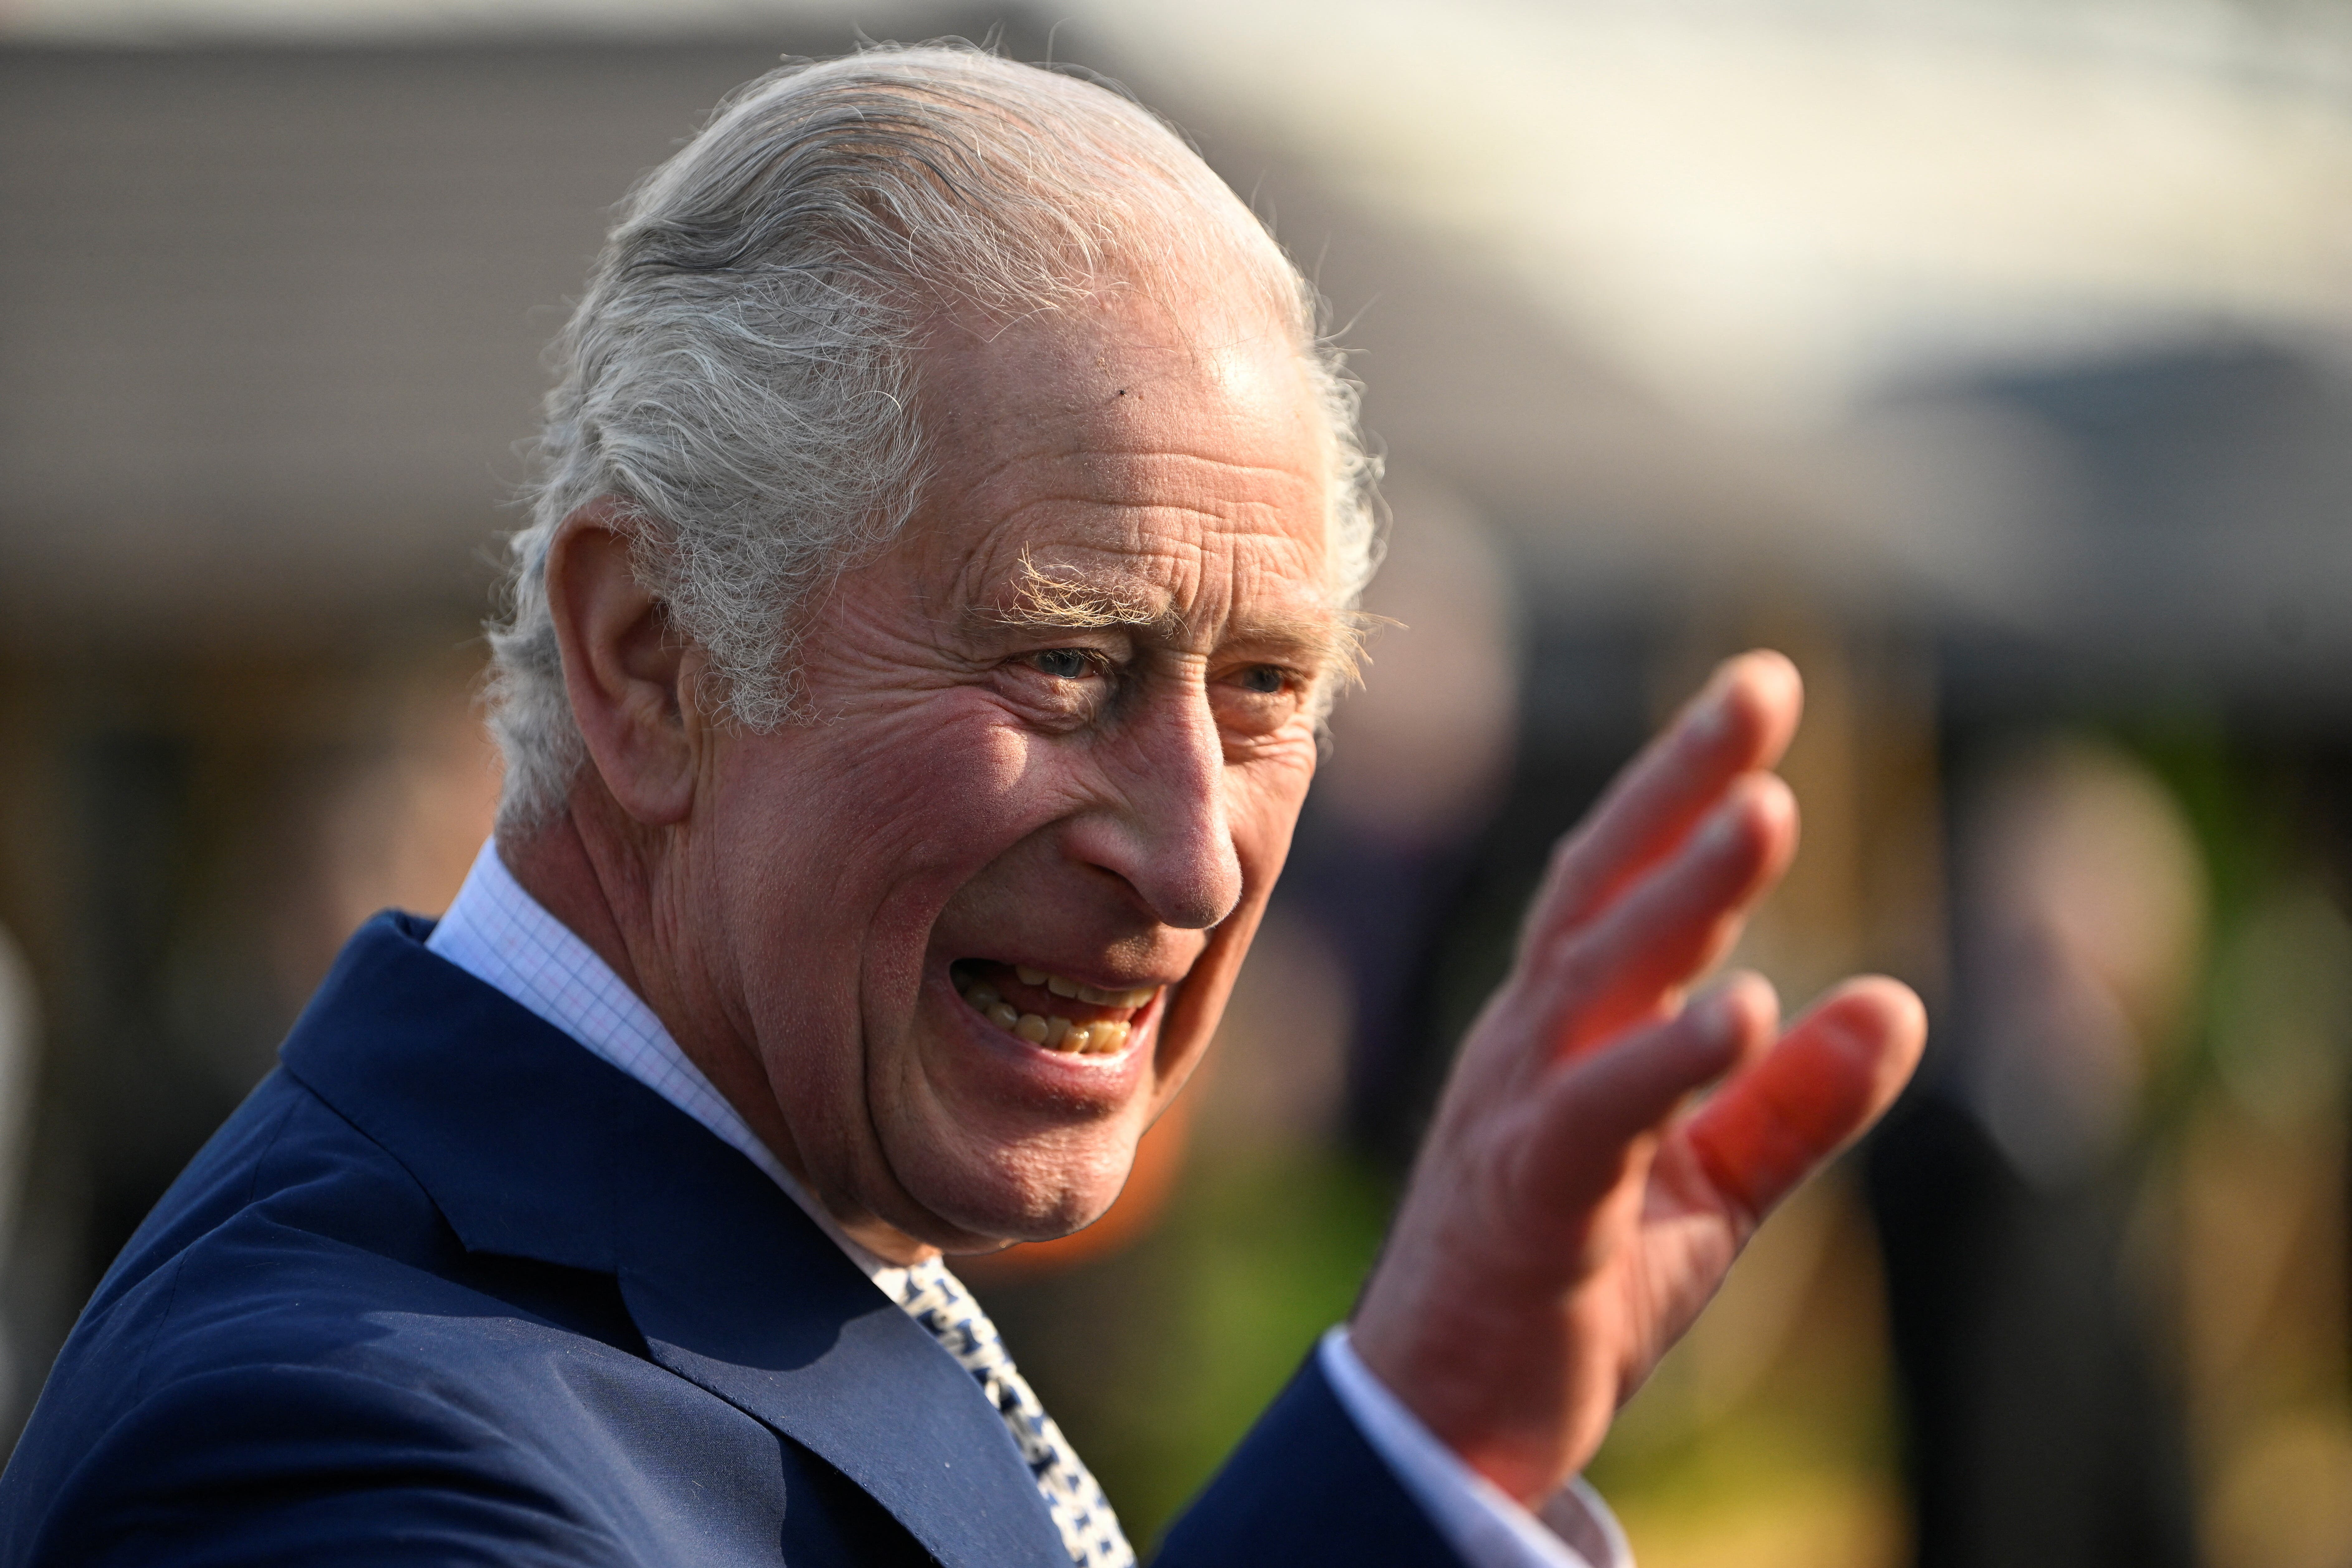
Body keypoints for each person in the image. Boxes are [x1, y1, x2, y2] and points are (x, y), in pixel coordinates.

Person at [0, 45, 1923, 1568]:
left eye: (1265, 685)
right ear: (651, 657)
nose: (1192, 853)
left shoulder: (748, 1246)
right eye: (1066, 662)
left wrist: (1426, 1434)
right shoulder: (340, 1441)